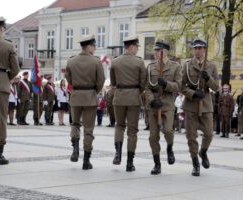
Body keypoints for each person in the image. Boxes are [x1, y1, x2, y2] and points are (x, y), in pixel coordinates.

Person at [65, 35, 105, 170]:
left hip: (76, 96)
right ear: (89, 46)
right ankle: (86, 161)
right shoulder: (96, 62)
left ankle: (75, 149)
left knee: (75, 124)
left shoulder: (71, 61)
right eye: (94, 46)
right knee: (88, 130)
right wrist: (94, 91)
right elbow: (101, 81)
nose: (95, 48)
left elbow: (69, 79)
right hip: (90, 97)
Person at [181, 39, 219, 176]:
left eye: (200, 48)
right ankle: (195, 163)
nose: (197, 50)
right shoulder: (186, 65)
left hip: (206, 103)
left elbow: (216, 87)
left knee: (208, 134)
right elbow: (181, 85)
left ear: (204, 50)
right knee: (191, 136)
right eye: (195, 48)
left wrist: (208, 78)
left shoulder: (212, 65)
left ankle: (203, 151)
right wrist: (192, 93)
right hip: (191, 104)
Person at [145, 40, 182, 175]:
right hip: (154, 104)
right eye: (154, 50)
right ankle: (157, 163)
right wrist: (151, 100)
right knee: (153, 136)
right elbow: (146, 87)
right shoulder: (150, 67)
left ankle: (170, 148)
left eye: (158, 50)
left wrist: (166, 84)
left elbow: (179, 86)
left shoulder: (175, 67)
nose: (155, 53)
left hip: (168, 103)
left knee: (168, 131)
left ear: (165, 52)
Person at [110, 35, 146, 172]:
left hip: (119, 97)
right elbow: (143, 83)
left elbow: (113, 83)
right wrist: (137, 90)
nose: (137, 50)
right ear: (132, 46)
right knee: (132, 131)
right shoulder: (139, 62)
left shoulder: (115, 61)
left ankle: (118, 154)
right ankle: (130, 163)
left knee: (119, 126)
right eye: (136, 47)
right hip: (133, 98)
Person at [0, 16, 19, 165]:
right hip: (1, 84)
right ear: (2, 28)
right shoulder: (8, 45)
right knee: (1, 119)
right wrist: (5, 77)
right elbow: (15, 69)